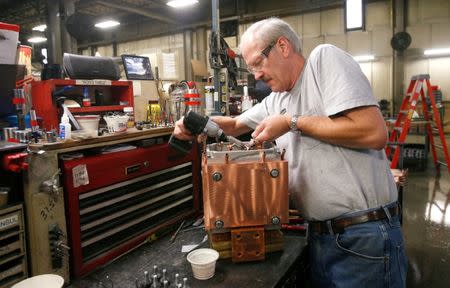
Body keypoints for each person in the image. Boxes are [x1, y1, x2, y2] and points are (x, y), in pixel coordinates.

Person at [174, 17, 407, 287]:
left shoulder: (323, 62)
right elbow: (236, 125)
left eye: (258, 64)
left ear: (282, 46)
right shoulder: (277, 99)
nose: (256, 75)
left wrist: (290, 122)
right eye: (251, 69)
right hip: (321, 238)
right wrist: (195, 123)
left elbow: (373, 132)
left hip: (362, 237)